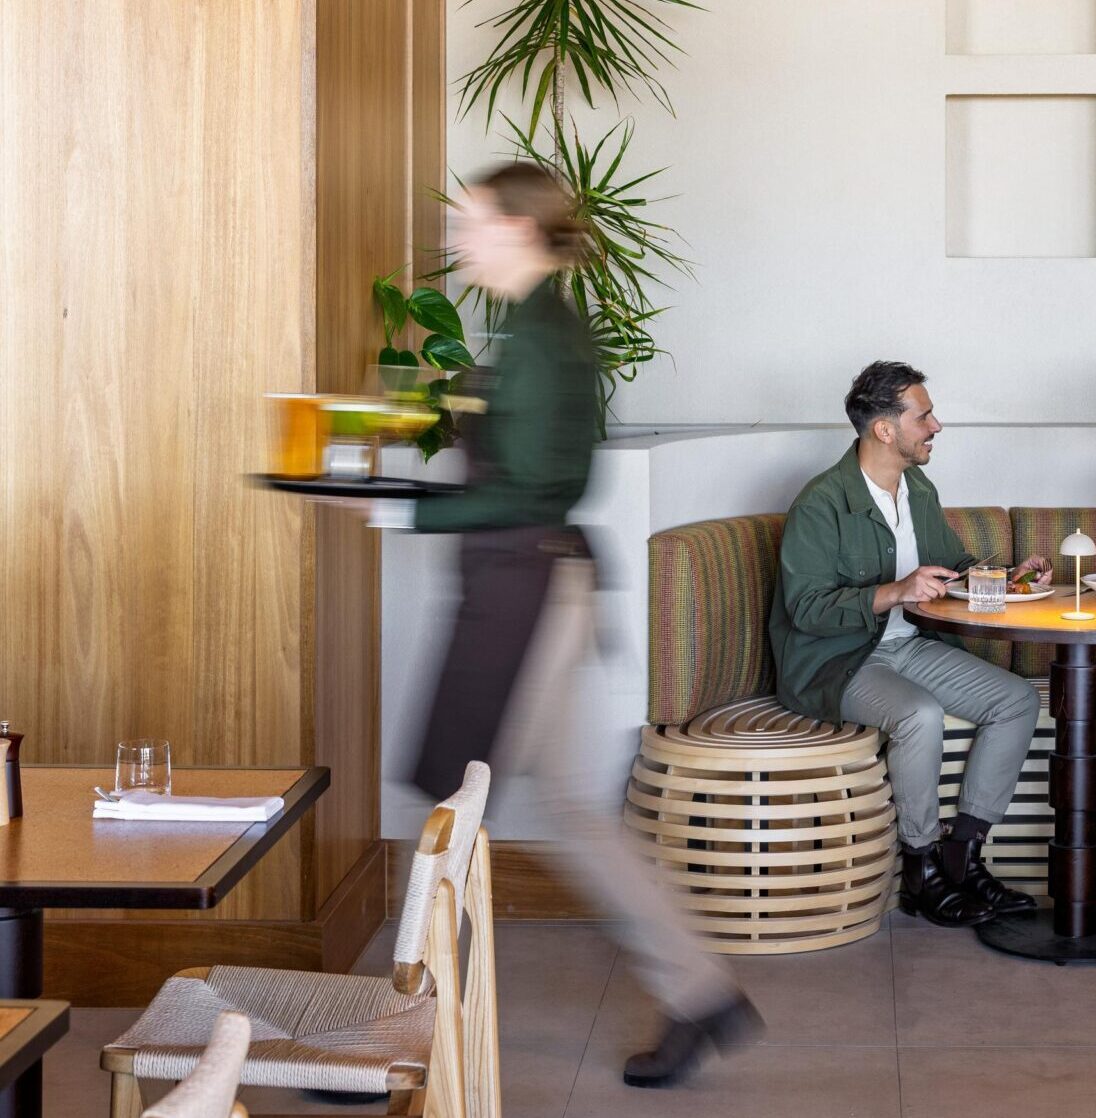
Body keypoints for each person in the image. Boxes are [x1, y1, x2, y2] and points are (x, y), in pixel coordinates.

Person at [366, 162, 758, 1089]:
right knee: (568, 813)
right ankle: (702, 995)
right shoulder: (540, 328)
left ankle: (393, 1037)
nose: (458, 236)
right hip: (549, 585)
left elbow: (536, 486)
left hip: (526, 597)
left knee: (454, 813)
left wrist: (403, 510)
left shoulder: (544, 334)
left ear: (519, 228)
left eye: (472, 220)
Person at [768, 360, 1048, 928]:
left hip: (907, 646)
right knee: (919, 715)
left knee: (1017, 700)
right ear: (885, 430)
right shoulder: (822, 502)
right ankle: (920, 866)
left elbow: (955, 567)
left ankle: (962, 857)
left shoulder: (916, 486)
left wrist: (1010, 576)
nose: (936, 426)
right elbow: (807, 608)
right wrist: (895, 590)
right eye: (923, 415)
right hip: (838, 661)